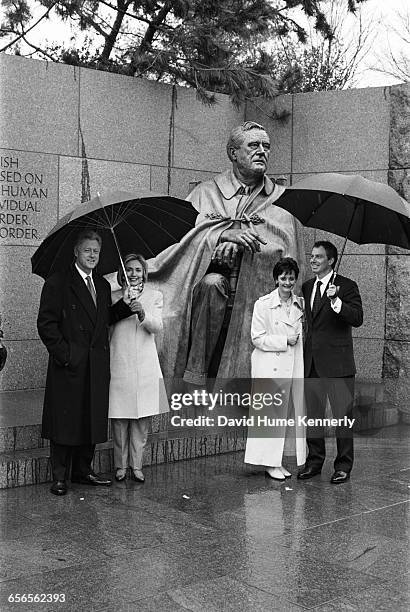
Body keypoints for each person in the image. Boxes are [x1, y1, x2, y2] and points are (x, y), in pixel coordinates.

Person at [146, 121, 305, 385]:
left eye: (266, 146)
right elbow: (180, 242)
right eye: (253, 145)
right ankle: (194, 378)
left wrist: (244, 247)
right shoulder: (205, 192)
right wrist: (219, 238)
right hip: (210, 283)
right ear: (233, 153)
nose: (262, 152)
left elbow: (287, 254)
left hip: (260, 289)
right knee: (210, 286)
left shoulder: (280, 200)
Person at [37, 230, 139, 496]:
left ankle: (83, 470)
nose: (92, 255)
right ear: (76, 252)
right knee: (65, 420)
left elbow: (102, 320)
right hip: (69, 365)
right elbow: (46, 324)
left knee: (90, 418)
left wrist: (125, 306)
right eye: (87, 251)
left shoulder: (103, 286)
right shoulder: (58, 282)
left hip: (95, 364)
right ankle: (60, 476)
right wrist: (66, 355)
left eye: (96, 251)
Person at [297, 240, 363, 484]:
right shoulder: (306, 287)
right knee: (313, 417)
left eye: (319, 257)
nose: (313, 260)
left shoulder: (347, 286)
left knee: (342, 418)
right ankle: (314, 462)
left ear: (331, 261)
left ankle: (343, 466)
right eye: (312, 256)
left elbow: (357, 318)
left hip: (339, 365)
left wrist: (337, 303)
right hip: (312, 363)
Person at [108, 253, 169, 483]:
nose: (133, 274)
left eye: (137, 270)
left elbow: (158, 326)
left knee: (141, 419)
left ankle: (137, 465)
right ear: (121, 274)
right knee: (120, 419)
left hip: (145, 365)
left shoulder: (155, 296)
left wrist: (142, 312)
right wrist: (123, 305)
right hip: (120, 362)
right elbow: (107, 323)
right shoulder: (113, 296)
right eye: (129, 270)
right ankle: (120, 466)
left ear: (144, 272)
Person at [244, 257, 306, 480]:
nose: (287, 282)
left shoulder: (300, 304)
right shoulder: (263, 304)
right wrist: (284, 340)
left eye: (291, 278)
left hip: (291, 366)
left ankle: (277, 461)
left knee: (284, 417)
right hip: (269, 367)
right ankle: (268, 463)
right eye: (283, 278)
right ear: (276, 279)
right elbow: (257, 338)